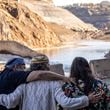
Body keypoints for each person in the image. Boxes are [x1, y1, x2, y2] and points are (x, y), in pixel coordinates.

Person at [0, 56, 101, 110]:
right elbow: (65, 103)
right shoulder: (54, 84)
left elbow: (10, 102)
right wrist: (86, 99)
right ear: (47, 67)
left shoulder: (23, 85)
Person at [0, 57, 70, 110]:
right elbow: (40, 74)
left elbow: (10, 101)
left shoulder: (4, 75)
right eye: (23, 67)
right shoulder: (15, 76)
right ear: (15, 67)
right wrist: (63, 78)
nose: (24, 70)